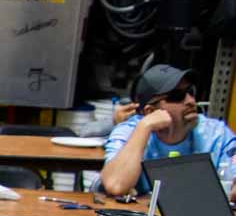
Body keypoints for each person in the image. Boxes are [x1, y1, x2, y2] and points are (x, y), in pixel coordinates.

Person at [101, 63, 236, 198]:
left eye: (191, 92)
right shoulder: (131, 131)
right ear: (151, 111)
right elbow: (115, 185)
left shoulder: (217, 134)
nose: (190, 101)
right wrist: (145, 127)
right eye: (177, 96)